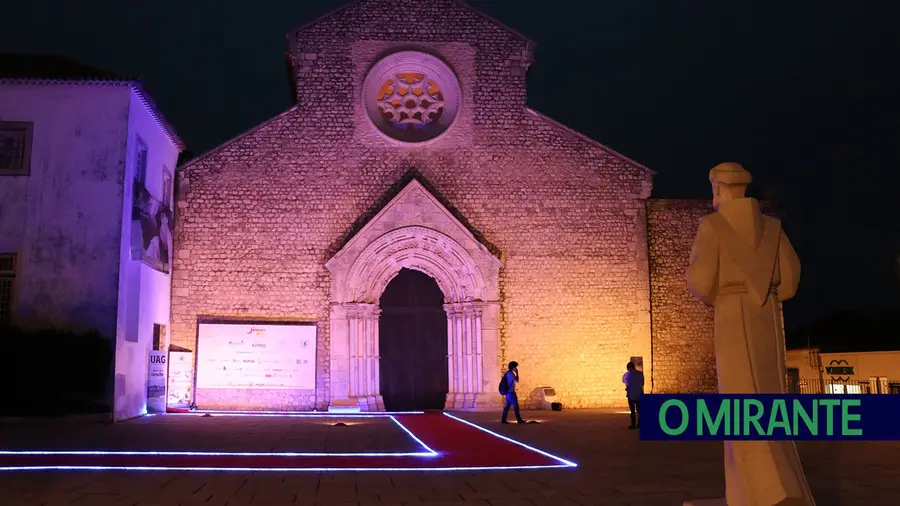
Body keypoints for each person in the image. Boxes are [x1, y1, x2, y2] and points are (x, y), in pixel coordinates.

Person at [687, 162, 814, 505]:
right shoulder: (773, 229)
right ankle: (780, 486)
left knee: (739, 401)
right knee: (771, 399)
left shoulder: (713, 227)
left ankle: (762, 491)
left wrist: (725, 295)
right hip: (768, 317)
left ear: (718, 189)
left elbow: (700, 281)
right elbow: (789, 279)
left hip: (731, 314)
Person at [622, 362, 643, 429]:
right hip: (639, 393)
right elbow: (642, 383)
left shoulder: (626, 375)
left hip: (631, 394)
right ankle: (639, 424)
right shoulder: (640, 374)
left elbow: (625, 383)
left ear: (628, 368)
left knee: (632, 411)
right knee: (640, 411)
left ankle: (633, 425)